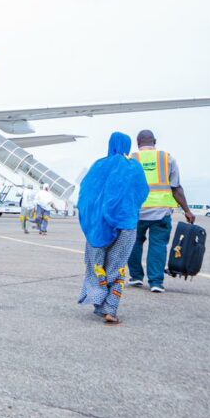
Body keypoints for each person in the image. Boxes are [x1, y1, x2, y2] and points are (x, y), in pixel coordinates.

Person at [77, 132, 149, 324]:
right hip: (126, 226)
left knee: (96, 266)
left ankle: (97, 298)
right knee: (117, 267)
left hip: (97, 228)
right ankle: (111, 309)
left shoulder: (98, 166)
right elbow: (143, 193)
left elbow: (85, 195)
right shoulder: (134, 167)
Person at [127, 130, 196, 293]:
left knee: (134, 243)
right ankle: (156, 282)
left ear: (137, 142)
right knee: (158, 245)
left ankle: (136, 276)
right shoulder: (167, 158)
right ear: (155, 141)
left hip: (136, 211)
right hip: (161, 212)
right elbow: (176, 188)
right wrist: (187, 210)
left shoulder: (130, 160)